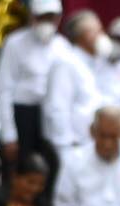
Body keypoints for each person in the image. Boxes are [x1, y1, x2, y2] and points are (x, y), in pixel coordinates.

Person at [0, 0, 70, 169]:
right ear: (31, 17)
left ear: (59, 18)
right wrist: (9, 134)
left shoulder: (63, 47)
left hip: (52, 118)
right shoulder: (15, 43)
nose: (46, 22)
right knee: (23, 170)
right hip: (23, 116)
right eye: (41, 17)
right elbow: (3, 89)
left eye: (50, 17)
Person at [43, 10, 108, 161]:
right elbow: (57, 107)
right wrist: (65, 150)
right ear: (84, 35)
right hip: (72, 148)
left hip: (91, 145)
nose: (103, 35)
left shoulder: (95, 63)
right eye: (98, 31)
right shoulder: (66, 62)